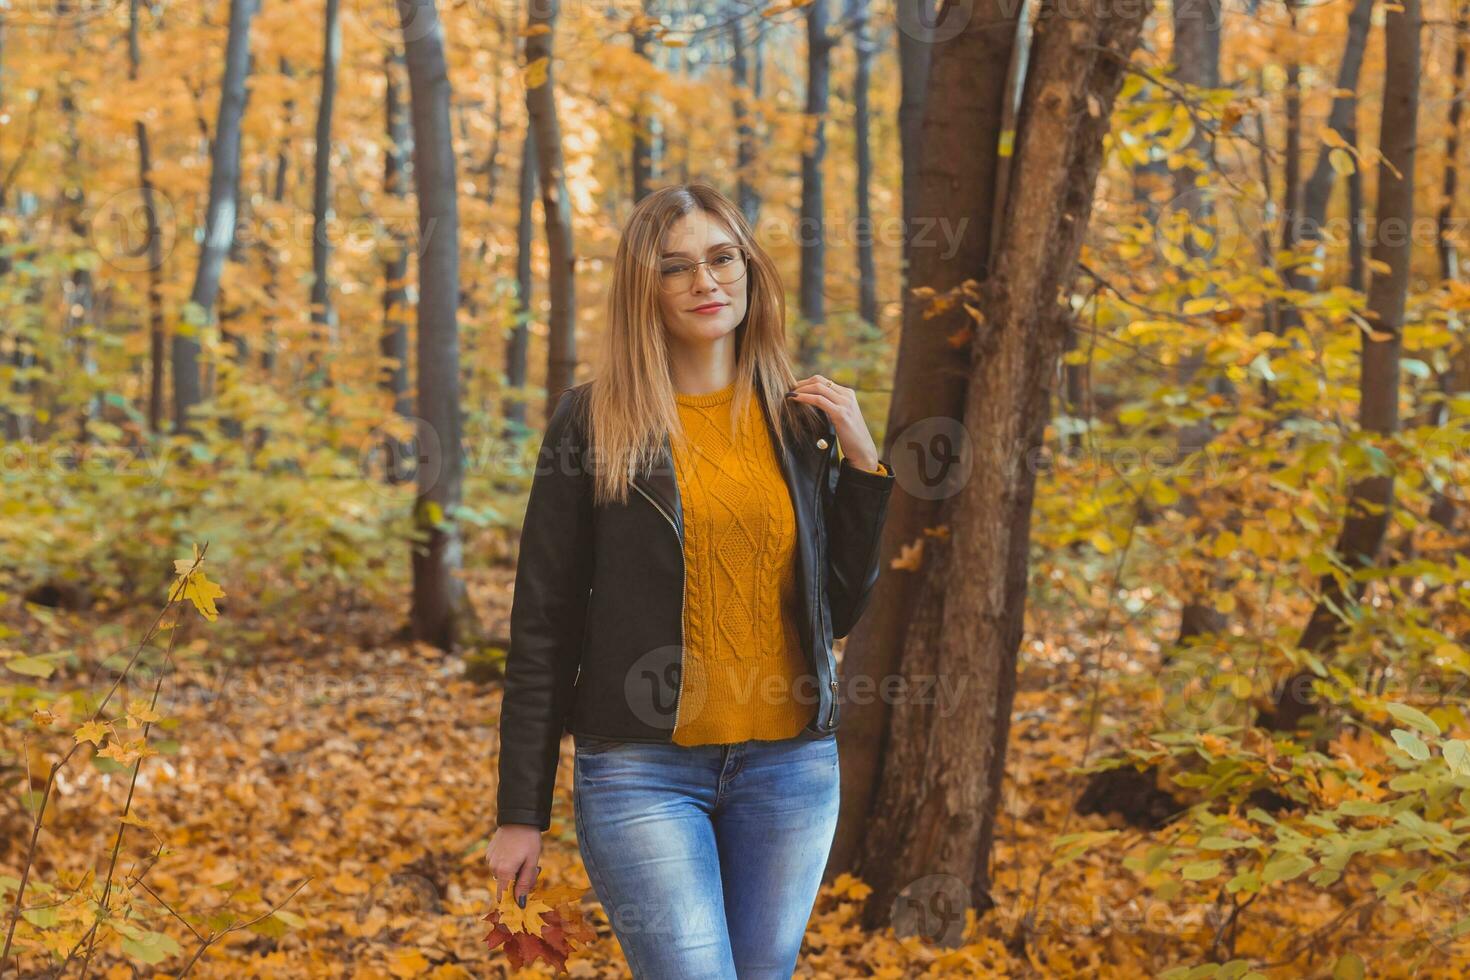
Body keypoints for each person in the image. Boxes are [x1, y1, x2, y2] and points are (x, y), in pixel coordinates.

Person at [485, 182, 896, 978]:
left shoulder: (801, 421)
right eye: (676, 268)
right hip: (642, 769)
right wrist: (520, 813)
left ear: (749, 271)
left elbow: (835, 610)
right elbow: (543, 624)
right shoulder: (592, 423)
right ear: (646, 290)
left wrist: (861, 464)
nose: (705, 282)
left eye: (721, 259)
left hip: (789, 770)